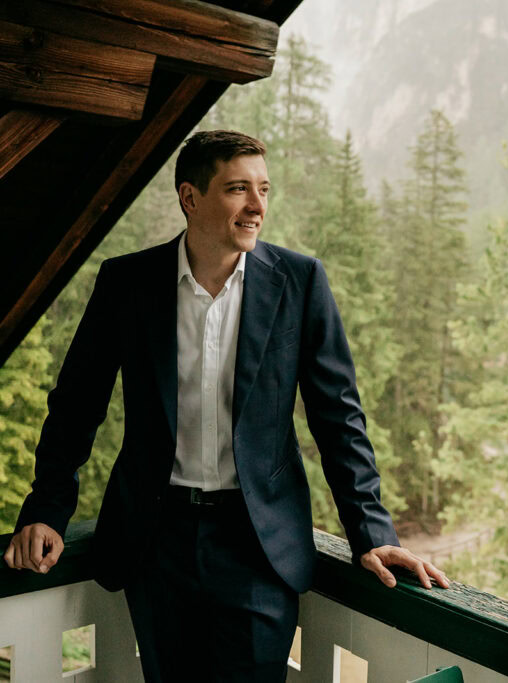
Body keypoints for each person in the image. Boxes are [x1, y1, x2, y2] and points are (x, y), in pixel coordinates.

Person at [3, 130, 448, 681]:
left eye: (264, 189)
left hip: (257, 544)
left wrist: (373, 533)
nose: (258, 205)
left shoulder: (300, 281)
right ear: (190, 197)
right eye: (239, 189)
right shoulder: (127, 282)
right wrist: (46, 510)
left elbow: (338, 417)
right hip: (155, 540)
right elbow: (76, 405)